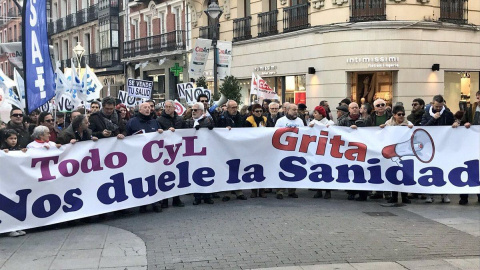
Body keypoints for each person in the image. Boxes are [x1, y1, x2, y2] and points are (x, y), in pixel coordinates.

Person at [127, 102, 165, 212]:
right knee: (142, 179)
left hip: (153, 157)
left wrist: (161, 133)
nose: (148, 109)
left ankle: (155, 202)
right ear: (139, 110)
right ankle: (143, 203)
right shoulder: (132, 122)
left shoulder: (155, 122)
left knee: (154, 179)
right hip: (139, 157)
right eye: (145, 107)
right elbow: (127, 137)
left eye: (149, 107)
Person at [421, 95, 454, 203]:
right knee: (430, 169)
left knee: (443, 169)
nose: (439, 108)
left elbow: (454, 124)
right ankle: (429, 195)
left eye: (440, 106)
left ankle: (444, 194)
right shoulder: (426, 114)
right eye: (437, 106)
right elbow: (424, 127)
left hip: (444, 146)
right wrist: (433, 118)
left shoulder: (448, 114)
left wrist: (456, 123)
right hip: (430, 146)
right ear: (432, 104)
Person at [338, 102, 371, 201]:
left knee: (362, 170)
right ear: (349, 109)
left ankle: (363, 193)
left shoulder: (366, 119)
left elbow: (371, 131)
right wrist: (349, 130)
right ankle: (351, 192)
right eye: (352, 108)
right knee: (350, 170)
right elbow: (338, 132)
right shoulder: (343, 120)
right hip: (349, 150)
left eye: (356, 107)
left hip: (362, 149)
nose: (355, 109)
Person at [380, 105, 413, 204]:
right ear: (394, 115)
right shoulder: (388, 124)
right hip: (393, 152)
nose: (401, 116)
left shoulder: (408, 123)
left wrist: (411, 128)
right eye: (399, 114)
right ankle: (393, 196)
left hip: (405, 152)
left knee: (405, 174)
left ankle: (404, 196)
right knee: (394, 174)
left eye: (403, 114)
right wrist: (382, 128)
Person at [157, 100, 186, 208]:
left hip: (177, 150)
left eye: (170, 106)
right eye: (166, 106)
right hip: (165, 151)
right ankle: (164, 200)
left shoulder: (180, 119)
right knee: (165, 175)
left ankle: (176, 199)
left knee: (177, 173)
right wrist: (165, 131)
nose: (168, 108)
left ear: (174, 108)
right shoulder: (159, 120)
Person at [185, 102, 215, 205]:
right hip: (193, 152)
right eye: (192, 110)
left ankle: (207, 196)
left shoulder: (208, 120)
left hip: (205, 151)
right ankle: (197, 196)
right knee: (195, 173)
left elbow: (212, 127)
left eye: (196, 110)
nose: (193, 112)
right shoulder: (188, 122)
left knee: (206, 172)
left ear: (201, 111)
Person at [274, 103, 305, 199]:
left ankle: (292, 190)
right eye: (293, 110)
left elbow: (304, 133)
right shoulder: (280, 121)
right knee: (282, 169)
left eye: (296, 110)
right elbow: (274, 134)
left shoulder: (300, 121)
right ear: (287, 110)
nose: (296, 112)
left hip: (295, 149)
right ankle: (280, 191)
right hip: (282, 149)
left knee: (294, 169)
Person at [1, 129, 27, 237]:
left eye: (15, 138)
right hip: (5, 182)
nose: (13, 141)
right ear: (5, 139)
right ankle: (8, 228)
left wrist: (23, 151)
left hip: (14, 181)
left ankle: (17, 226)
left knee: (16, 203)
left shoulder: (17, 149)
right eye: (10, 138)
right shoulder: (3, 150)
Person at [309, 106, 335, 199]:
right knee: (317, 168)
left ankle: (328, 191)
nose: (314, 114)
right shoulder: (312, 122)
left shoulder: (330, 123)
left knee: (327, 169)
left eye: (316, 113)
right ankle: (318, 190)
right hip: (316, 149)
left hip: (327, 149)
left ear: (321, 114)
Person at [459, 90, 479, 205]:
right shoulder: (470, 109)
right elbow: (463, 121)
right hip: (470, 143)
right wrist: (464, 124)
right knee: (468, 168)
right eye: (477, 97)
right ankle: (464, 196)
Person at [369, 99, 392, 200]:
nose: (380, 107)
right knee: (376, 167)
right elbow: (366, 128)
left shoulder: (391, 117)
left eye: (382, 105)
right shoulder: (370, 118)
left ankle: (387, 192)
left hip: (388, 145)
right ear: (375, 108)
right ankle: (378, 191)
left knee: (387, 167)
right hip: (375, 145)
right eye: (378, 105)